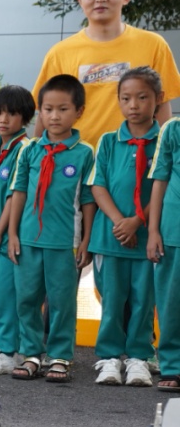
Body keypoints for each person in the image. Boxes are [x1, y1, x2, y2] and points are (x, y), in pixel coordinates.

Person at [31, 0, 180, 148]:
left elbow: (163, 106)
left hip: (137, 161)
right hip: (75, 163)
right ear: (80, 0)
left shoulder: (154, 45)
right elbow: (44, 111)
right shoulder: (59, 53)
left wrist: (164, 156)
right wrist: (34, 158)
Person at [8, 75, 96, 383]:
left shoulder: (84, 152)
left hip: (64, 242)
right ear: (40, 112)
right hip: (28, 239)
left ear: (79, 111)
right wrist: (13, 233)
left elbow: (87, 199)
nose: (54, 116)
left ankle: (60, 356)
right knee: (27, 299)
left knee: (62, 301)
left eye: (62, 109)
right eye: (47, 109)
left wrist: (86, 239)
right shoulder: (29, 150)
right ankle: (31, 353)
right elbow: (18, 191)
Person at [88, 67, 160, 387]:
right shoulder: (107, 141)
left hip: (147, 240)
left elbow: (163, 183)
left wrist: (138, 221)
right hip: (111, 237)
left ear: (157, 100)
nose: (133, 105)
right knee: (112, 299)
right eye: (126, 98)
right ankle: (108, 357)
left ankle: (139, 357)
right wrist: (120, 221)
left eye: (142, 97)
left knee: (144, 301)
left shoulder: (165, 139)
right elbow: (98, 185)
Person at [0, 86, 35, 375]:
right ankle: (4, 346)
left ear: (25, 117)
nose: (3, 119)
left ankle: (8, 349)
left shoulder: (24, 149)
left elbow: (14, 194)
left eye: (12, 114)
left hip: (7, 236)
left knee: (7, 294)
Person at [147, 104, 180, 391]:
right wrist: (153, 229)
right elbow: (160, 179)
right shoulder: (172, 129)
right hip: (173, 230)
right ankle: (173, 365)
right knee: (171, 303)